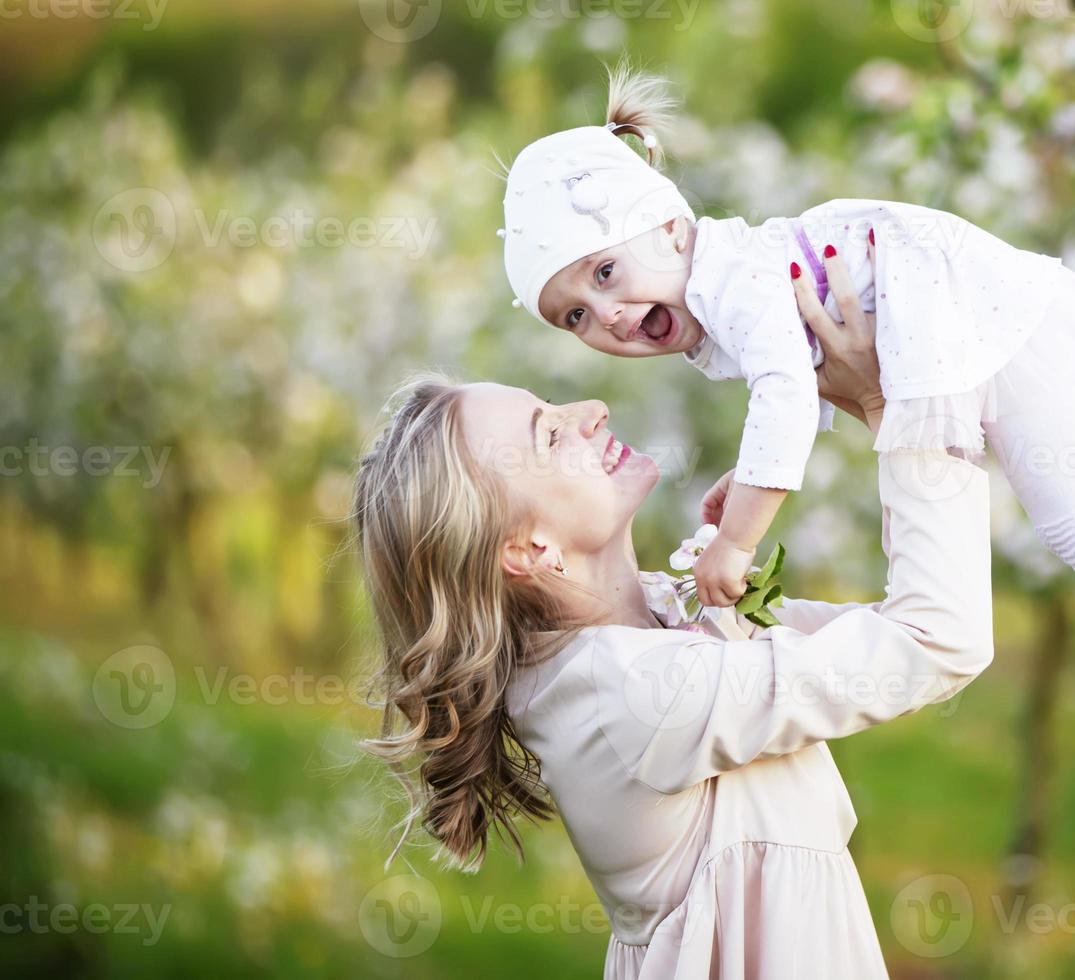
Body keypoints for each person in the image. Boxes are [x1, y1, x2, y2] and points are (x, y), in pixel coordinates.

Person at [498, 66, 1075, 813]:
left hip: (1010, 333)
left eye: (603, 275)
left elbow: (785, 393)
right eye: (574, 315)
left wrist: (734, 543)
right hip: (990, 344)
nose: (603, 315)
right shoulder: (719, 290)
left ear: (671, 228)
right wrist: (747, 475)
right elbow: (795, 386)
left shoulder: (728, 280)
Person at [354, 262, 993, 977]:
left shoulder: (652, 621)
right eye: (550, 435)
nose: (590, 409)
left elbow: (901, 634)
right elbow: (939, 639)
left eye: (553, 405)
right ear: (528, 549)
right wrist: (901, 403)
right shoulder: (635, 692)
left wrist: (872, 412)